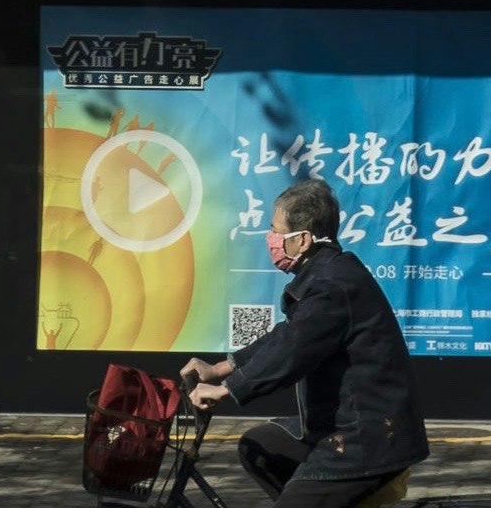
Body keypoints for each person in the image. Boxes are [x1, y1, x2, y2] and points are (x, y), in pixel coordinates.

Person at [177, 180, 428, 506]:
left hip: (366, 437)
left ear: (303, 239)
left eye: (275, 230)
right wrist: (221, 368)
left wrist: (227, 389)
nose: (270, 240)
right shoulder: (326, 275)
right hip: (347, 425)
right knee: (259, 446)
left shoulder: (331, 287)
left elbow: (292, 352)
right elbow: (289, 334)